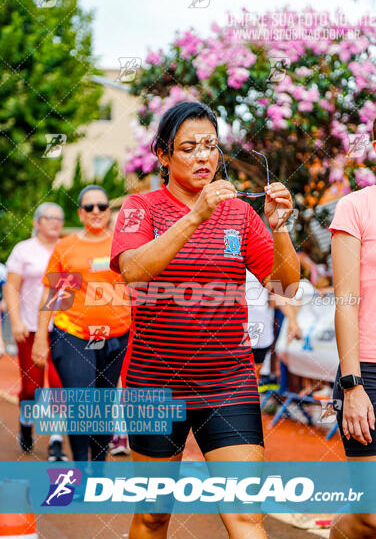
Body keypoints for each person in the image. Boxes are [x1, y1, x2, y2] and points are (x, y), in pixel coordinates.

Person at [110, 101, 300, 539]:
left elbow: (285, 287)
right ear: (163, 155)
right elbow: (134, 269)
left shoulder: (239, 213)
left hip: (228, 381)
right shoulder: (141, 207)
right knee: (154, 516)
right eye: (190, 147)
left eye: (211, 146)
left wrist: (280, 227)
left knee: (245, 516)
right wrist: (196, 215)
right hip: (153, 381)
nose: (203, 157)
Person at [329, 101, 376, 539]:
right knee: (375, 516)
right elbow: (346, 301)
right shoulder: (356, 207)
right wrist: (352, 386)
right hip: (374, 373)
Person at [32, 185, 131, 463]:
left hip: (116, 337)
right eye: (89, 207)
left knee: (103, 404)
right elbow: (54, 296)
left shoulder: (124, 245)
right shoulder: (68, 248)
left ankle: (97, 470)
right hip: (74, 335)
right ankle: (79, 466)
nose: (96, 211)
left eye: (102, 206)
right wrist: (41, 337)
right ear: (81, 212)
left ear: (109, 211)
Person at [4, 203, 67, 460]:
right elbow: (11, 287)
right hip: (29, 328)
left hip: (62, 330)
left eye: (59, 218)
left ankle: (56, 442)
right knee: (32, 388)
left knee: (60, 385)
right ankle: (26, 424)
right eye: (49, 218)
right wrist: (16, 321)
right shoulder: (23, 250)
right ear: (37, 222)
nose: (55, 222)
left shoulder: (67, 248)